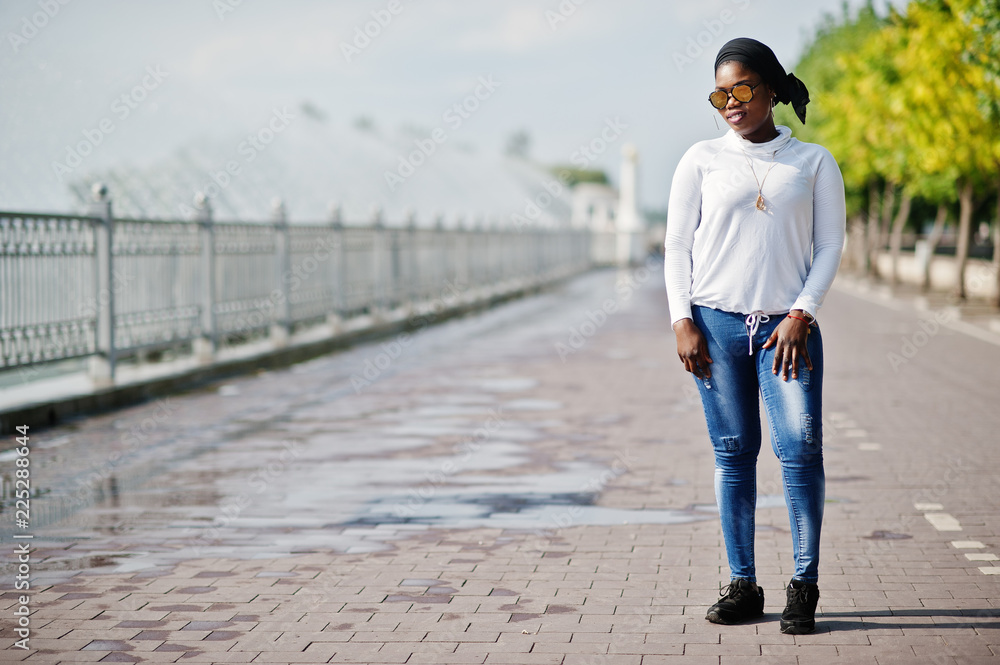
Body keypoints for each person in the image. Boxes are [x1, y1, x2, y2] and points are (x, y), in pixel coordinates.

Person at [663, 37, 845, 634]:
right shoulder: (700, 159)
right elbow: (678, 247)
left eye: (741, 89)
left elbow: (829, 246)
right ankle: (743, 581)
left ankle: (804, 584)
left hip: (786, 332)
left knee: (800, 453)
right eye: (719, 94)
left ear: (769, 88)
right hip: (712, 325)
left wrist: (801, 313)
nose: (730, 103)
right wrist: (681, 320)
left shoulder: (813, 161)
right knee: (733, 455)